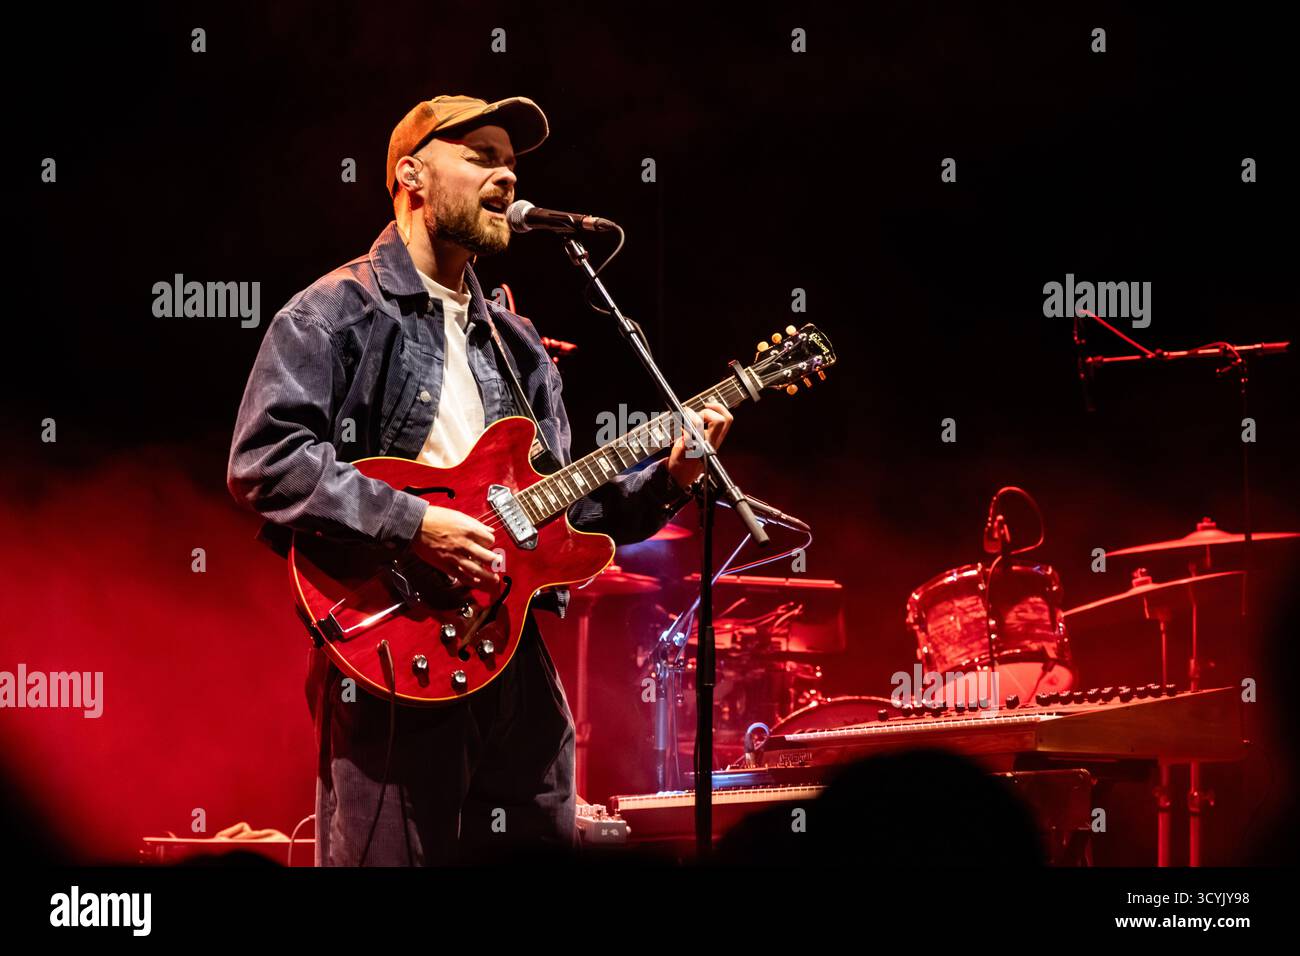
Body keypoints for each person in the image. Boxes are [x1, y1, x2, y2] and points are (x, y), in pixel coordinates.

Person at [226, 94, 731, 865]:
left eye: (513, 163)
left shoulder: (518, 342)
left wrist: (670, 477)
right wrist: (415, 524)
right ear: (411, 175)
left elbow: (571, 506)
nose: (506, 175)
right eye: (483, 156)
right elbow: (265, 460)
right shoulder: (333, 313)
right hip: (394, 647)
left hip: (509, 649)